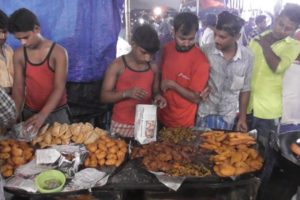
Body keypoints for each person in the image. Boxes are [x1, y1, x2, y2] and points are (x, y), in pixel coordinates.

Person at [8, 8, 70, 132]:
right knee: (28, 149)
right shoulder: (19, 55)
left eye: (25, 37)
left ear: (36, 29)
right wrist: (12, 118)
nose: (23, 43)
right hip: (30, 113)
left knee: (61, 150)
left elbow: (59, 87)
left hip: (57, 113)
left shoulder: (58, 53)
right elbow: (18, 89)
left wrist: (42, 115)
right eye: (18, 39)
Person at [247, 3, 300, 146]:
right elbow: (247, 65)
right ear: (276, 19)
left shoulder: (293, 46)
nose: (282, 30)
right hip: (248, 105)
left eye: (288, 28)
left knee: (266, 152)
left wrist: (265, 45)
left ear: (295, 30)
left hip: (269, 110)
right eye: (280, 24)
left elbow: (278, 67)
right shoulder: (259, 37)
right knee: (244, 149)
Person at [100, 24, 166, 138]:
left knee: (146, 154)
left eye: (151, 54)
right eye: (143, 52)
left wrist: (158, 98)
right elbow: (104, 97)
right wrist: (127, 93)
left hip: (147, 123)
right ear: (133, 44)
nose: (147, 58)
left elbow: (155, 92)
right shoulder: (117, 65)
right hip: (121, 124)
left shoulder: (153, 67)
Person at [196, 11, 253, 132]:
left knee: (223, 147)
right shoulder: (205, 51)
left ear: (237, 37)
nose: (216, 39)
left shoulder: (247, 57)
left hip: (228, 116)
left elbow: (245, 89)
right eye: (215, 34)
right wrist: (199, 88)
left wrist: (242, 118)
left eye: (222, 37)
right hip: (205, 112)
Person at [158, 12, 210, 128]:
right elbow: (159, 73)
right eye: (182, 39)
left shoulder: (201, 61)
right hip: (161, 115)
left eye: (191, 39)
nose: (186, 43)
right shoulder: (167, 48)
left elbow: (196, 98)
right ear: (173, 32)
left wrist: (173, 85)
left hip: (182, 123)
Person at [0, 9, 14, 94]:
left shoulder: (9, 50)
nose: (3, 36)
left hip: (12, 95)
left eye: (5, 32)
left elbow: (15, 76)